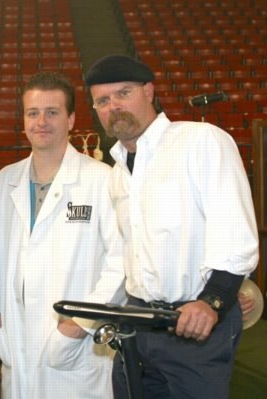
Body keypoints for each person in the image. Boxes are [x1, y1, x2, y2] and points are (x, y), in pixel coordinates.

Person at [85, 54, 259, 399]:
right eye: (102, 101)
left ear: (149, 91)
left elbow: (236, 232)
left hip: (195, 325)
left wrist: (214, 300)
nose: (113, 106)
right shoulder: (118, 172)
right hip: (140, 324)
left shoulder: (200, 141)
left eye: (124, 93)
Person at [0, 71, 126, 398]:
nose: (41, 121)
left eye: (52, 112)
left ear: (71, 119)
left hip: (80, 354)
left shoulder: (102, 180)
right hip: (16, 346)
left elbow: (121, 265)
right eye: (33, 113)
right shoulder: (5, 182)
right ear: (23, 120)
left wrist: (77, 327)